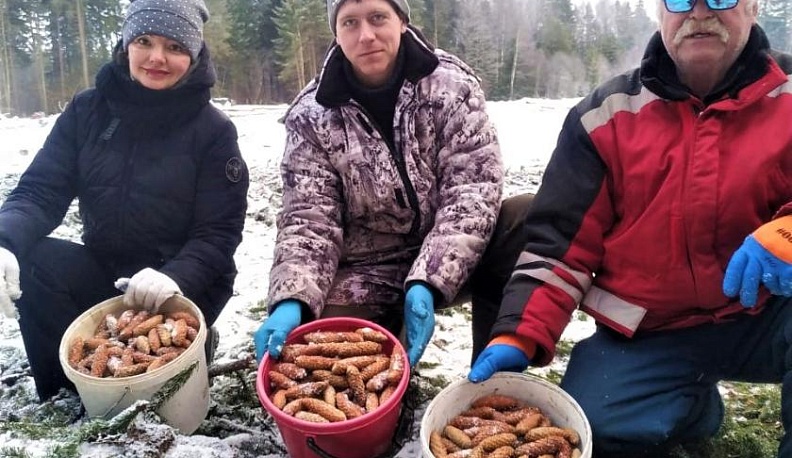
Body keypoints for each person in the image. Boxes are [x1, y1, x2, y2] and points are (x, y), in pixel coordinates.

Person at [466, 0, 792, 456]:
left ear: (754, 6)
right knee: (595, 428)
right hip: (653, 330)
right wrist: (517, 332)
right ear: (658, 11)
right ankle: (689, 405)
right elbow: (560, 245)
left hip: (768, 316)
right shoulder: (601, 117)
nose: (699, 13)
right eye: (679, 0)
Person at [0, 0, 248, 401]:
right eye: (145, 41)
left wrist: (177, 276)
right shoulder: (87, 111)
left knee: (160, 375)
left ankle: (191, 345)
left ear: (194, 55)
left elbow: (218, 234)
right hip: (107, 269)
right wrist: (6, 241)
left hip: (182, 284)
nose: (156, 58)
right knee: (31, 259)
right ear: (125, 43)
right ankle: (68, 394)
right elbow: (40, 190)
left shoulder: (214, 132)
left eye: (174, 47)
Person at [253, 0, 503, 368]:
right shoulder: (311, 115)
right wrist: (294, 297)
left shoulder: (451, 87)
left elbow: (473, 191)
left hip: (458, 251)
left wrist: (428, 279)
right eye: (349, 23)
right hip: (368, 266)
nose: (365, 35)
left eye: (378, 18)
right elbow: (309, 217)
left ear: (402, 21)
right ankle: (388, 350)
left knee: (521, 220)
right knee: (326, 361)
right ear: (336, 34)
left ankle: (491, 370)